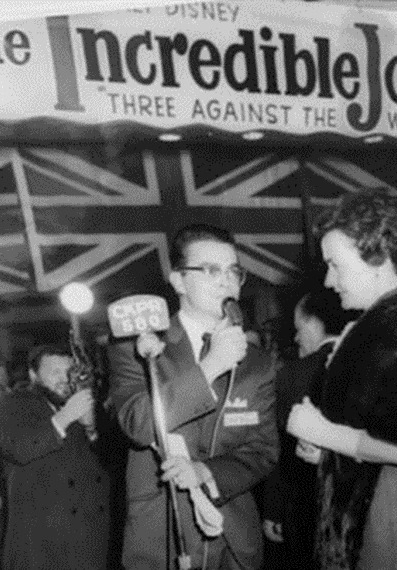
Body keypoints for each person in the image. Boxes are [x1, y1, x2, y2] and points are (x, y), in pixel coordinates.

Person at [287, 188, 397, 569]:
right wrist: (326, 452)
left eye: (335, 264)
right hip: (371, 499)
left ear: (379, 258)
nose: (329, 280)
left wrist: (324, 434)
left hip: (390, 508)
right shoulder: (376, 326)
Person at [107, 223, 279, 570]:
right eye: (212, 270)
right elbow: (139, 424)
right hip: (165, 540)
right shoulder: (136, 346)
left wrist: (206, 471)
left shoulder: (257, 362)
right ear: (179, 281)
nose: (227, 281)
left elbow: (263, 450)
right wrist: (211, 365)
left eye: (234, 271)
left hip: (234, 544)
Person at [0, 344, 110, 570]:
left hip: (88, 540)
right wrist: (65, 417)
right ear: (34, 375)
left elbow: (107, 466)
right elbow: (19, 448)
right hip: (41, 543)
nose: (64, 379)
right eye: (55, 372)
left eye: (68, 372)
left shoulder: (73, 406)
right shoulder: (10, 404)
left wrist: (91, 427)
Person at [261, 289, 349, 568]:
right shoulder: (366, 366)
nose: (297, 338)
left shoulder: (291, 375)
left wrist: (273, 509)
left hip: (305, 506)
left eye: (299, 329)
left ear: (312, 324)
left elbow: (278, 448)